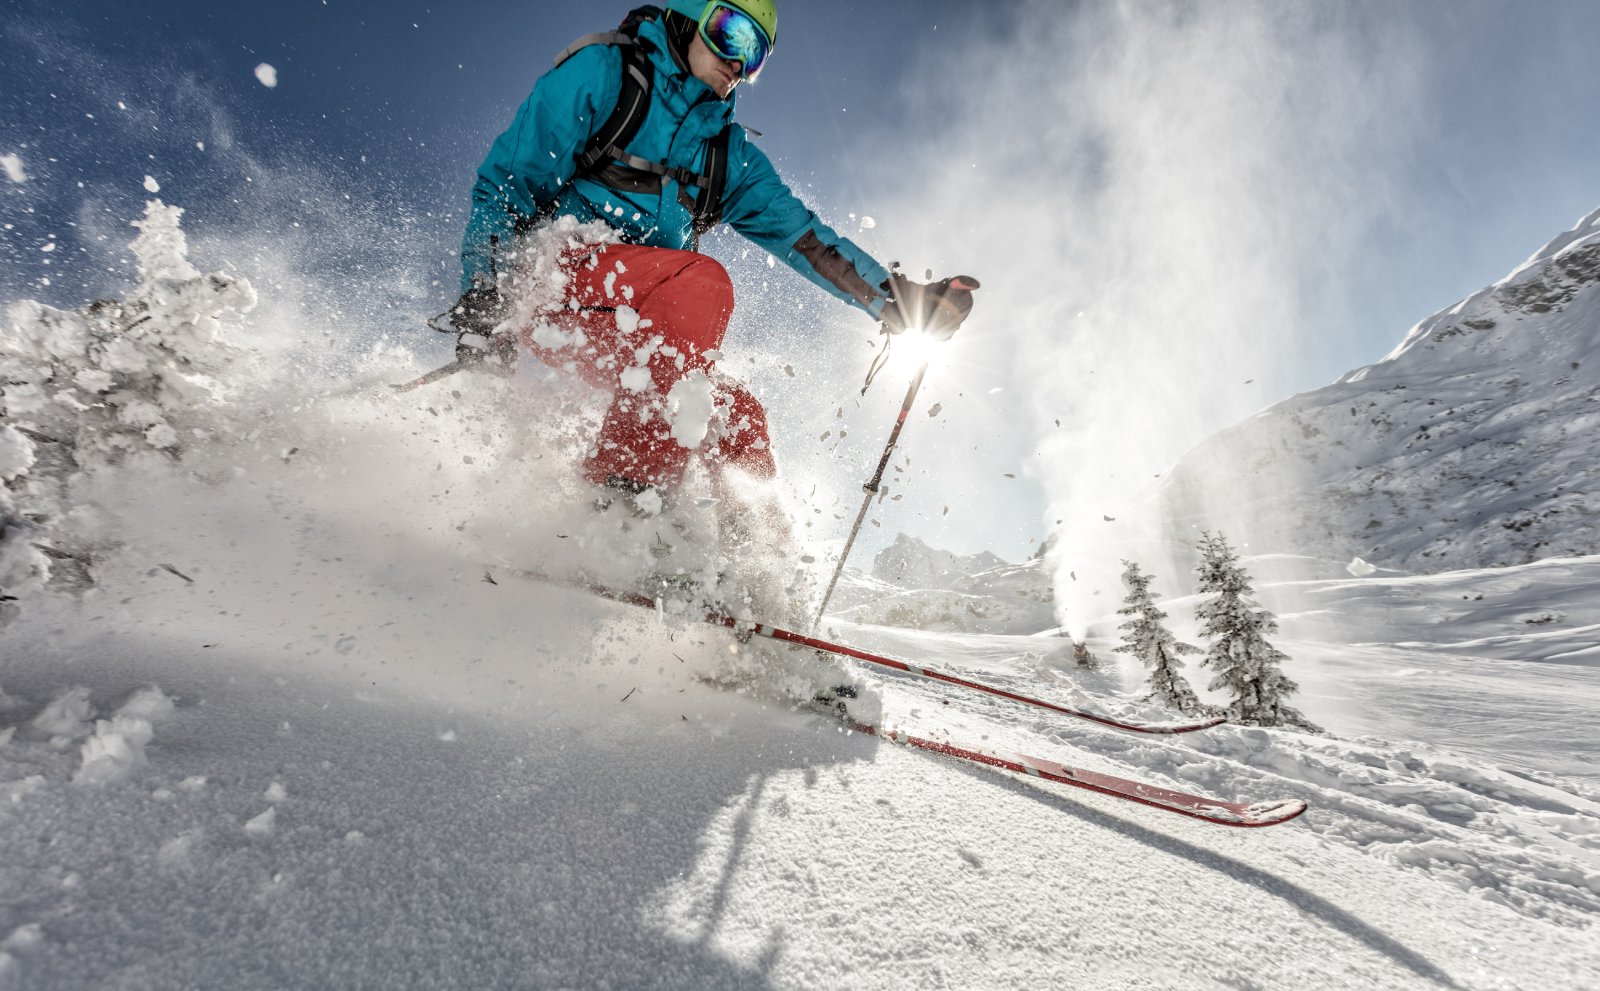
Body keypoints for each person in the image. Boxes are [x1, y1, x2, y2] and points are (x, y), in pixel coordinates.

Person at [450, 0, 978, 526]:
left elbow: (806, 239)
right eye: (731, 34)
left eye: (756, 57)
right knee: (700, 283)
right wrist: (484, 294)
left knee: (736, 415)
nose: (738, 64)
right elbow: (506, 187)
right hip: (551, 277)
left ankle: (747, 565)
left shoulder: (727, 155)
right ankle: (621, 508)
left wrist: (897, 298)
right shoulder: (605, 73)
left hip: (638, 317)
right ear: (690, 16)